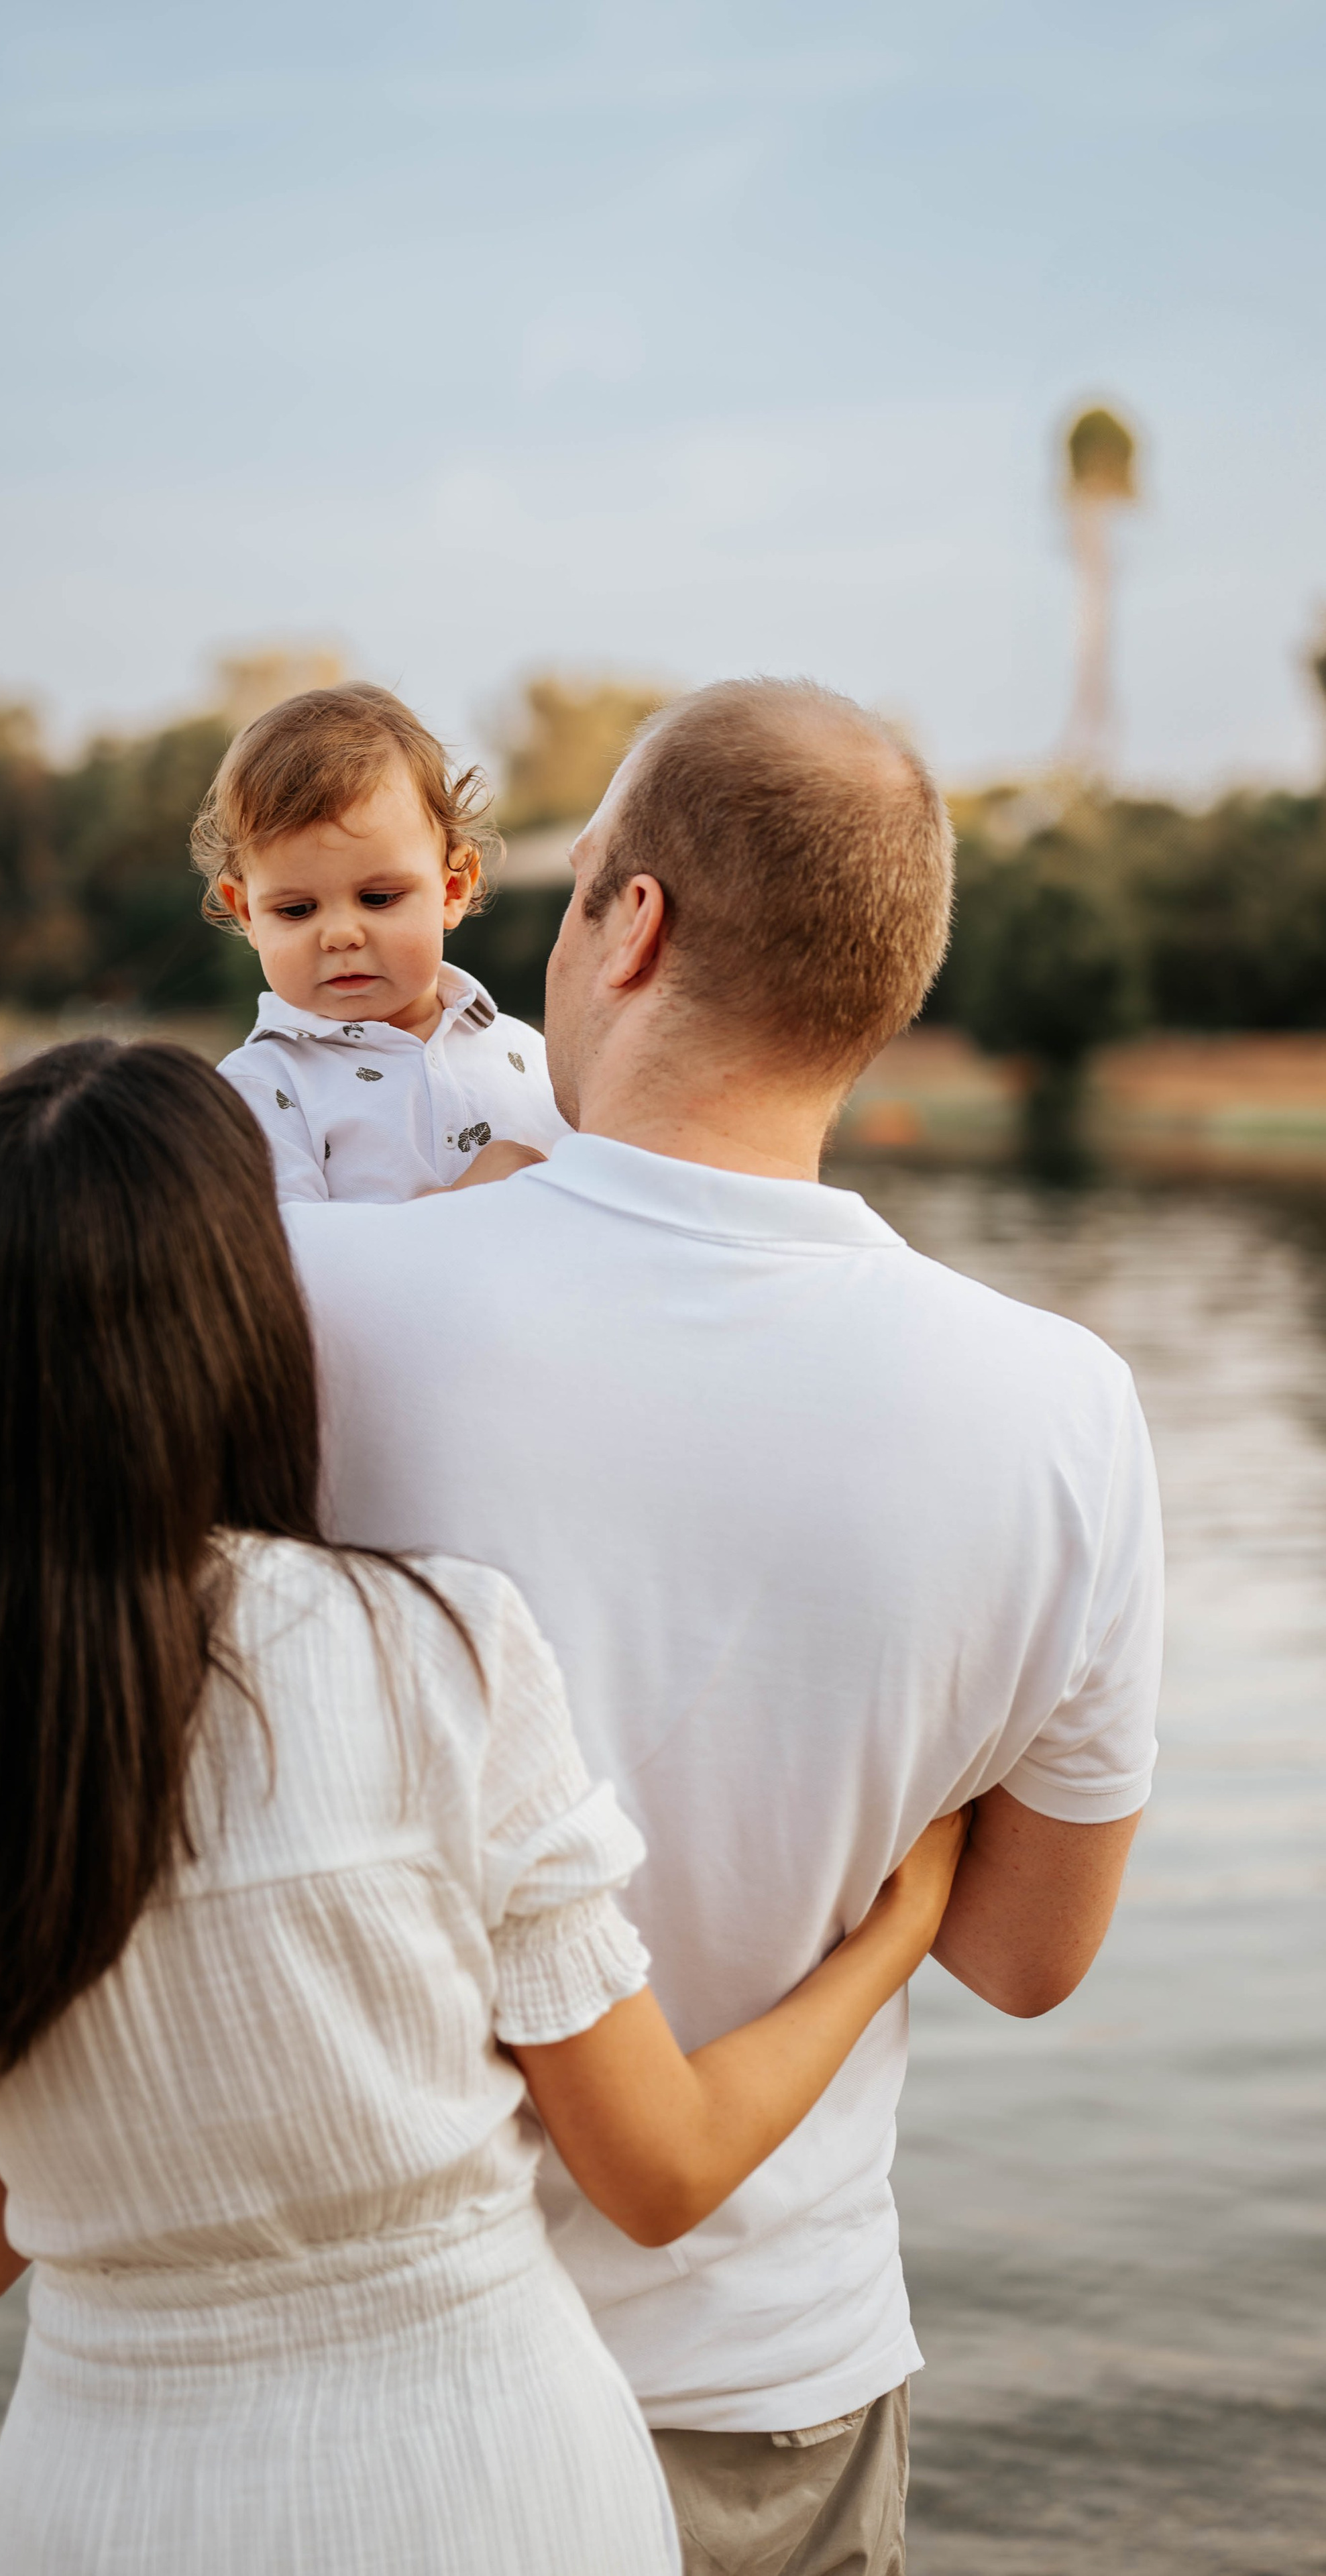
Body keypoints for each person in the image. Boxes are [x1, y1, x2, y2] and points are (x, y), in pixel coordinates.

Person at [0, 1037, 965, 2576]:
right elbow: (656, 2168)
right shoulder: (425, 1654)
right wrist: (897, 1926)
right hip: (489, 2494)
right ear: (239, 1319)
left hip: (97, 2508)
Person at [287, 678, 1166, 2576]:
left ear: (635, 920)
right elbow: (1027, 1957)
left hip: (377, 2400)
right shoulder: (1064, 1407)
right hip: (774, 2395)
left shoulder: (305, 1300)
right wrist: (903, 1872)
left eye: (577, 878)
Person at [202, 681, 565, 1199]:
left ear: (453, 886)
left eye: (379, 898)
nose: (340, 934)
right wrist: (467, 1203)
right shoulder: (259, 1090)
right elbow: (288, 1258)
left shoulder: (532, 1056)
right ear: (248, 913)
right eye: (296, 910)